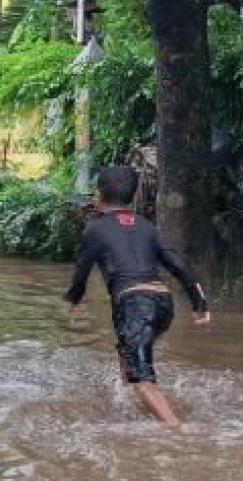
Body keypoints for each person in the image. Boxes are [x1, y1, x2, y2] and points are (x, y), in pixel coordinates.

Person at [64, 165, 213, 426]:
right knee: (127, 351)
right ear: (132, 197)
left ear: (98, 195)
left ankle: (178, 433)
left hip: (134, 304)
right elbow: (177, 265)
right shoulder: (147, 227)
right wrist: (199, 303)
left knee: (143, 381)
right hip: (163, 304)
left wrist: (74, 299)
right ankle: (135, 411)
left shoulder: (94, 230)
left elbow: (81, 272)